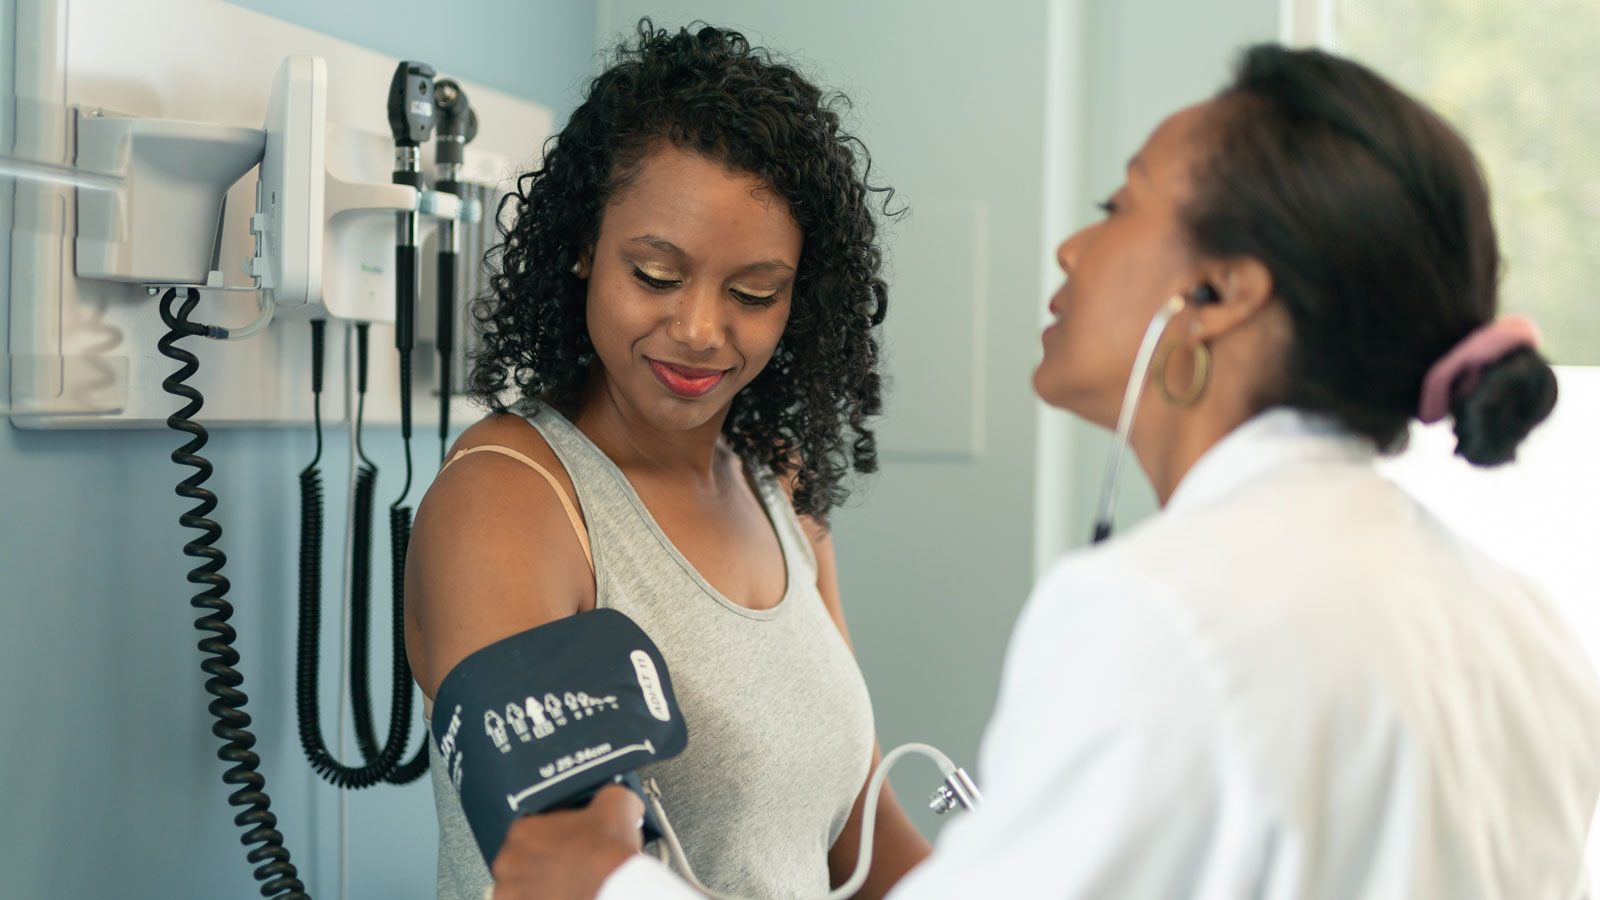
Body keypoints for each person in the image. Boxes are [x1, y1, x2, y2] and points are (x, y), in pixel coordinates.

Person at [484, 44, 1600, 900]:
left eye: (1119, 207)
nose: (1072, 248)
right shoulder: (1521, 626)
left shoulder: (1167, 616)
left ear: (1215, 297)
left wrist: (611, 887)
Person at [402, 21, 932, 900]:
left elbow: (863, 836)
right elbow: (570, 869)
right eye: (655, 274)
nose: (698, 331)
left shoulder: (779, 483)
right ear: (583, 247)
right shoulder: (510, 503)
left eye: (754, 292)